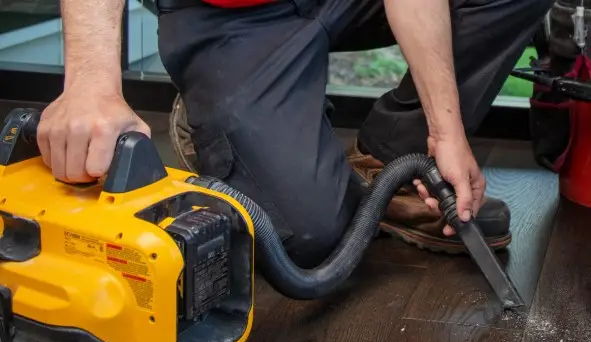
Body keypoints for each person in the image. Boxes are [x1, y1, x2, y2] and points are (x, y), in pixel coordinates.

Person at [39, 0, 553, 268]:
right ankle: (217, 115)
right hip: (229, 15)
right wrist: (90, 83)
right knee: (307, 235)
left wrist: (445, 132)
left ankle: (393, 163)